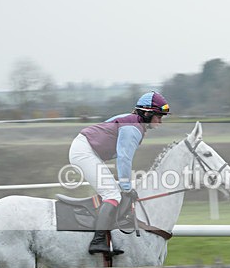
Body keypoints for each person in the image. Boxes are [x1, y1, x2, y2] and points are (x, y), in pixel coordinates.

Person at [69, 91, 170, 254]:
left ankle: (106, 237)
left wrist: (125, 186)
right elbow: (124, 158)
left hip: (86, 150)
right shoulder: (134, 127)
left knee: (113, 193)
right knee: (113, 195)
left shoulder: (134, 123)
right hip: (84, 152)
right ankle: (97, 241)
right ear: (146, 113)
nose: (160, 121)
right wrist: (126, 187)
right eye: (158, 116)